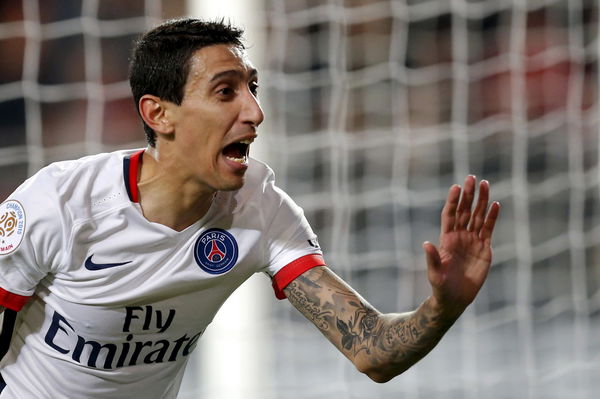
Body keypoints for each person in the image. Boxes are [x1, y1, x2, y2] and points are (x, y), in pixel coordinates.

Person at [0, 18, 500, 398]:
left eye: (251, 88)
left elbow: (373, 351)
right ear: (158, 113)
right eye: (225, 92)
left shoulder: (259, 209)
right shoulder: (61, 203)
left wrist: (443, 306)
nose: (254, 113)